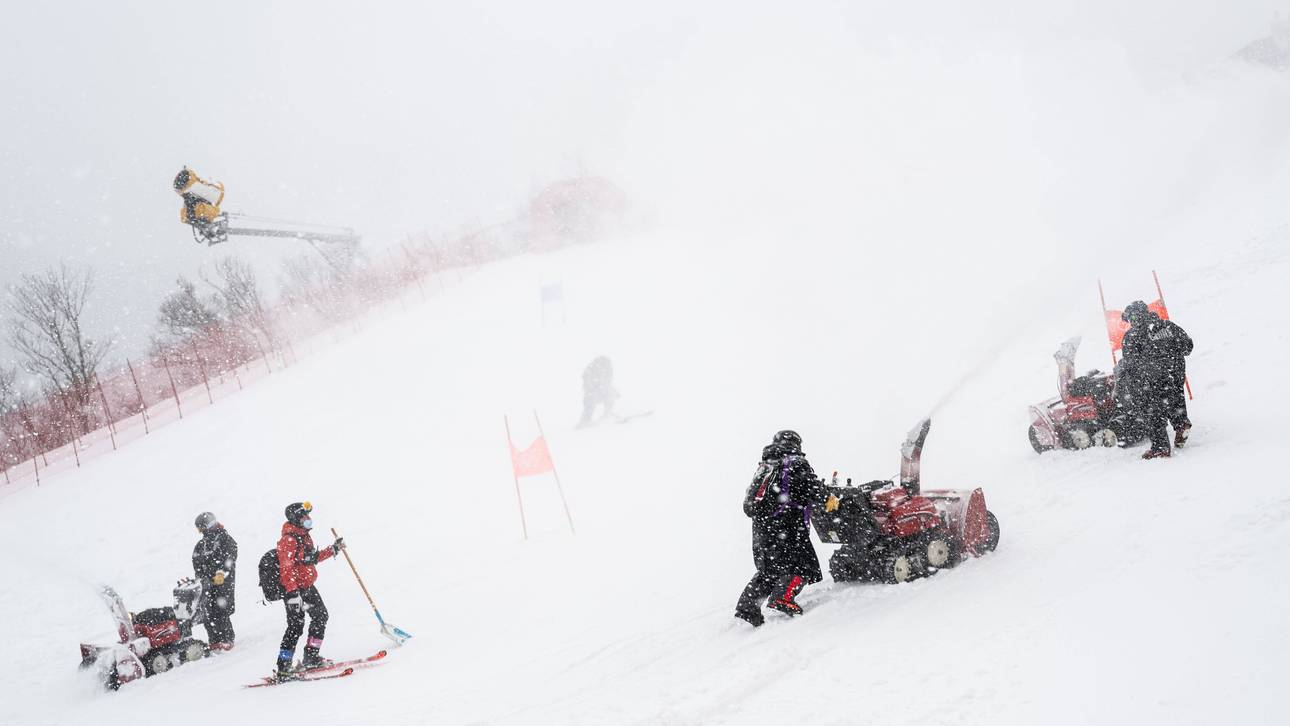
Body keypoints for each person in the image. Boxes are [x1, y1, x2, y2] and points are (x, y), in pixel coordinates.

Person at [734, 431, 836, 626]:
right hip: (787, 526)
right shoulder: (795, 462)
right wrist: (829, 497)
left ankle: (747, 606)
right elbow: (811, 487)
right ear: (796, 444)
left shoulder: (766, 466)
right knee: (804, 565)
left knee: (769, 569)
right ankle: (783, 598)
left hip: (762, 528)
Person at [275, 502, 345, 677]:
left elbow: (311, 559)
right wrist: (292, 592)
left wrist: (333, 549)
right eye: (304, 516)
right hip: (294, 591)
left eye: (308, 515)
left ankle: (311, 658)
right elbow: (286, 568)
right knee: (295, 626)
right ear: (296, 518)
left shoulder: (304, 536)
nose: (308, 519)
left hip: (307, 587)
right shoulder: (288, 540)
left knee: (321, 616)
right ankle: (284, 666)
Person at [1120, 300, 1194, 459]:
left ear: (1134, 317)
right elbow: (1188, 346)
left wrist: (1134, 386)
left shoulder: (1132, 335)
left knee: (1152, 411)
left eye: (1130, 319)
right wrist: (1171, 356)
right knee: (1174, 400)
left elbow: (1130, 365)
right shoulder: (1168, 326)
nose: (1130, 322)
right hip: (1175, 374)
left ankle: (1160, 447)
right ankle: (1181, 424)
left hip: (1151, 382)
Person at [192, 512, 238, 651]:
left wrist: (222, 572)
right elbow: (196, 560)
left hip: (223, 581)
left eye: (201, 528)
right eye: (199, 529)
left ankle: (227, 638)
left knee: (221, 609)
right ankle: (214, 640)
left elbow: (231, 556)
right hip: (206, 583)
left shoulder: (225, 539)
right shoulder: (201, 544)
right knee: (207, 610)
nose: (201, 532)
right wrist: (200, 577)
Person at [577, 355, 619, 426]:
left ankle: (607, 413)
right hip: (591, 394)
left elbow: (608, 382)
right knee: (590, 405)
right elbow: (588, 384)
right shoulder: (590, 370)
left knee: (610, 394)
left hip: (601, 392)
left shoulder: (606, 369)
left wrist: (612, 390)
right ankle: (585, 421)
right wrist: (597, 387)